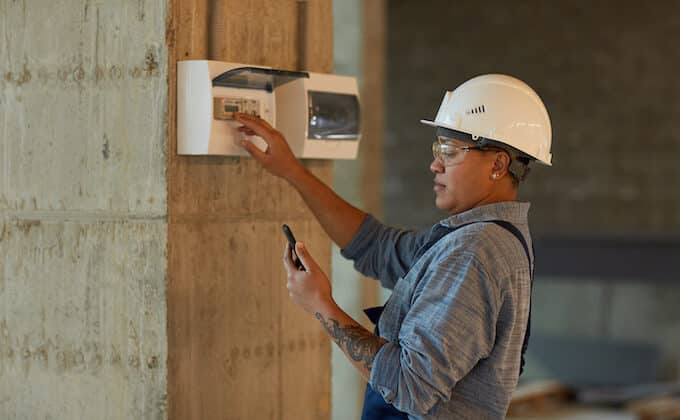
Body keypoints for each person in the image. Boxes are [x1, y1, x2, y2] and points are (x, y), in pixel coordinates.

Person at [235, 73, 553, 419]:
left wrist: (321, 305)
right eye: (438, 149)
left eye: (450, 151)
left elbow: (409, 386)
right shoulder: (482, 237)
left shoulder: (474, 251)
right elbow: (375, 246)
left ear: (498, 164)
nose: (435, 164)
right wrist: (292, 171)